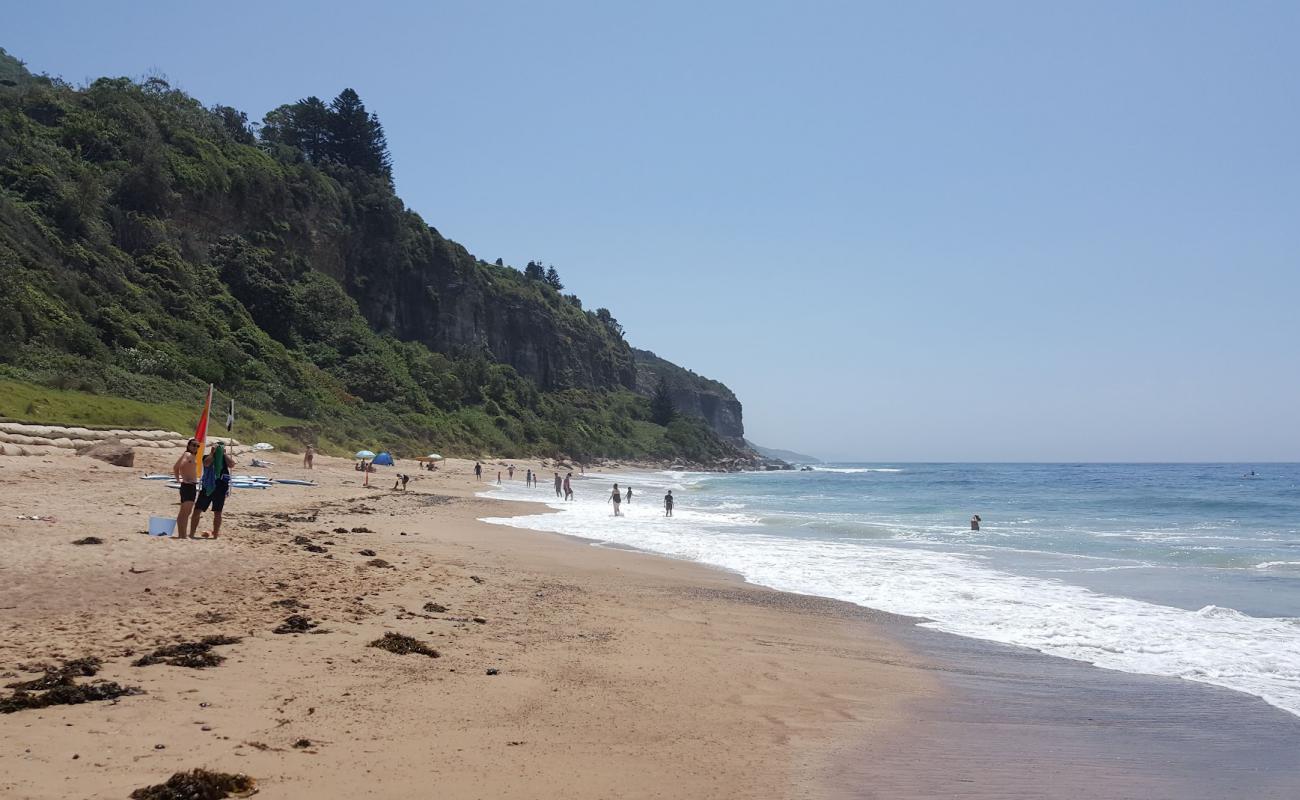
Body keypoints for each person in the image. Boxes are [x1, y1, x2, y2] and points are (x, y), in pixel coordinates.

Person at [190, 442, 235, 539]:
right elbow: (206, 463)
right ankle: (191, 533)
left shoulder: (224, 459)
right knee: (197, 510)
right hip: (208, 486)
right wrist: (212, 453)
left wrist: (224, 454)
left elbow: (232, 464)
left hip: (221, 488)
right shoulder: (207, 456)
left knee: (218, 512)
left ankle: (215, 534)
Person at [171, 438, 200, 539]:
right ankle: (181, 535)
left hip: (191, 485)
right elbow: (179, 466)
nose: (195, 447)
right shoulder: (187, 455)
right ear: (188, 446)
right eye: (193, 445)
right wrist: (181, 479)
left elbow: (175, 467)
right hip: (187, 486)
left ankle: (182, 534)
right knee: (184, 512)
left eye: (197, 446)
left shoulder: (191, 455)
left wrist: (179, 478)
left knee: (187, 512)